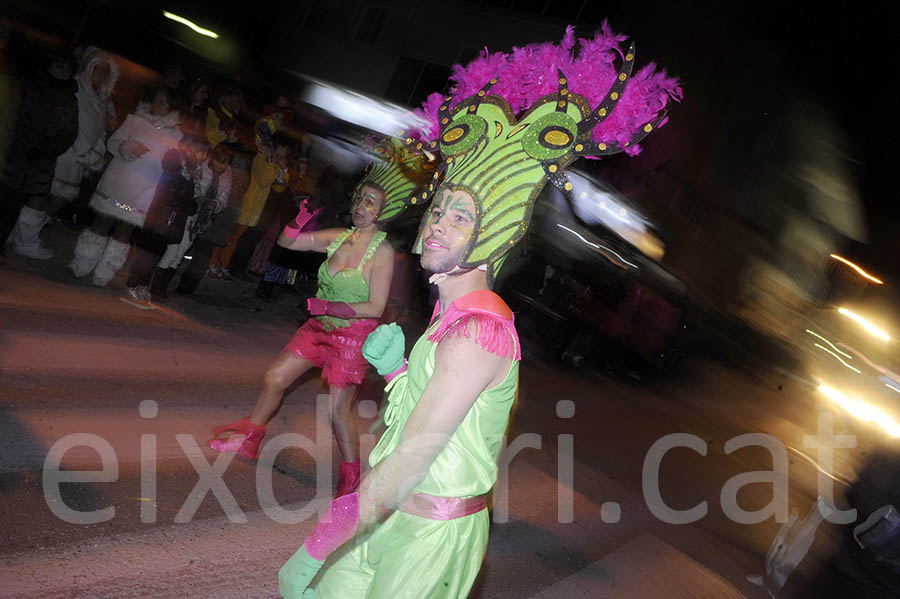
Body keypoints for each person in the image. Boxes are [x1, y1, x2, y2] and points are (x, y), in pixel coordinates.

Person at [277, 24, 681, 599]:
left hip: (427, 538)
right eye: (439, 208)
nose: (438, 222)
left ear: (491, 236)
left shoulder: (478, 333)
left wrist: (318, 542)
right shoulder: (452, 316)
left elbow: (415, 456)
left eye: (461, 216)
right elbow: (440, 419)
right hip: (389, 515)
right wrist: (398, 373)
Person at [208, 136, 431, 497]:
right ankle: (249, 439)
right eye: (360, 199)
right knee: (275, 376)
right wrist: (297, 223)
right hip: (318, 328)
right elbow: (289, 244)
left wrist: (330, 307)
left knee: (337, 411)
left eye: (370, 203)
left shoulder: (383, 253)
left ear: (382, 213)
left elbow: (375, 307)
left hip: (351, 338)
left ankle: (351, 473)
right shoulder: (339, 236)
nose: (361, 206)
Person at [68, 84, 182, 287]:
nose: (161, 106)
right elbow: (113, 142)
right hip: (116, 184)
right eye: (158, 100)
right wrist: (125, 146)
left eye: (166, 103)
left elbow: (174, 167)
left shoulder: (177, 136)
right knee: (101, 223)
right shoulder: (134, 120)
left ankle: (105, 272)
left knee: (124, 231)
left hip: (141, 192)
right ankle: (82, 263)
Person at [1, 52, 78, 258]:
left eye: (68, 69)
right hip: (12, 158)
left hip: (39, 165)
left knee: (13, 208)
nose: (63, 73)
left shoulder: (70, 100)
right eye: (59, 67)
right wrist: (21, 145)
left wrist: (46, 149)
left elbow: (69, 133)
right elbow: (11, 116)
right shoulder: (30, 87)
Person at [121, 134, 209, 308]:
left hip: (173, 219)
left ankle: (142, 285)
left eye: (205, 153)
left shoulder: (194, 170)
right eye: (201, 152)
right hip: (160, 215)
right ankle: (132, 285)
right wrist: (189, 201)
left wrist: (192, 203)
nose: (204, 156)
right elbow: (174, 191)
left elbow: (192, 196)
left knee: (156, 254)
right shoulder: (175, 161)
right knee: (147, 254)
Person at [152, 141, 230, 301]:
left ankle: (161, 288)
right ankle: (154, 287)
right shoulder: (198, 168)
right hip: (183, 214)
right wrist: (199, 199)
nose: (220, 165)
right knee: (172, 250)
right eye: (218, 160)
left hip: (198, 220)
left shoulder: (226, 174)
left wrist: (215, 205)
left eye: (225, 162)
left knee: (180, 253)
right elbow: (190, 191)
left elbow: (223, 198)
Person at [214, 131, 290, 279]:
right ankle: (213, 264)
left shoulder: (270, 160)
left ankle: (222, 266)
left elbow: (279, 187)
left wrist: (283, 170)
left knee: (234, 239)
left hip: (254, 208)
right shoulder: (261, 158)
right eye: (284, 147)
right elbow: (263, 179)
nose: (287, 152)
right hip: (244, 204)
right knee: (227, 237)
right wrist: (275, 164)